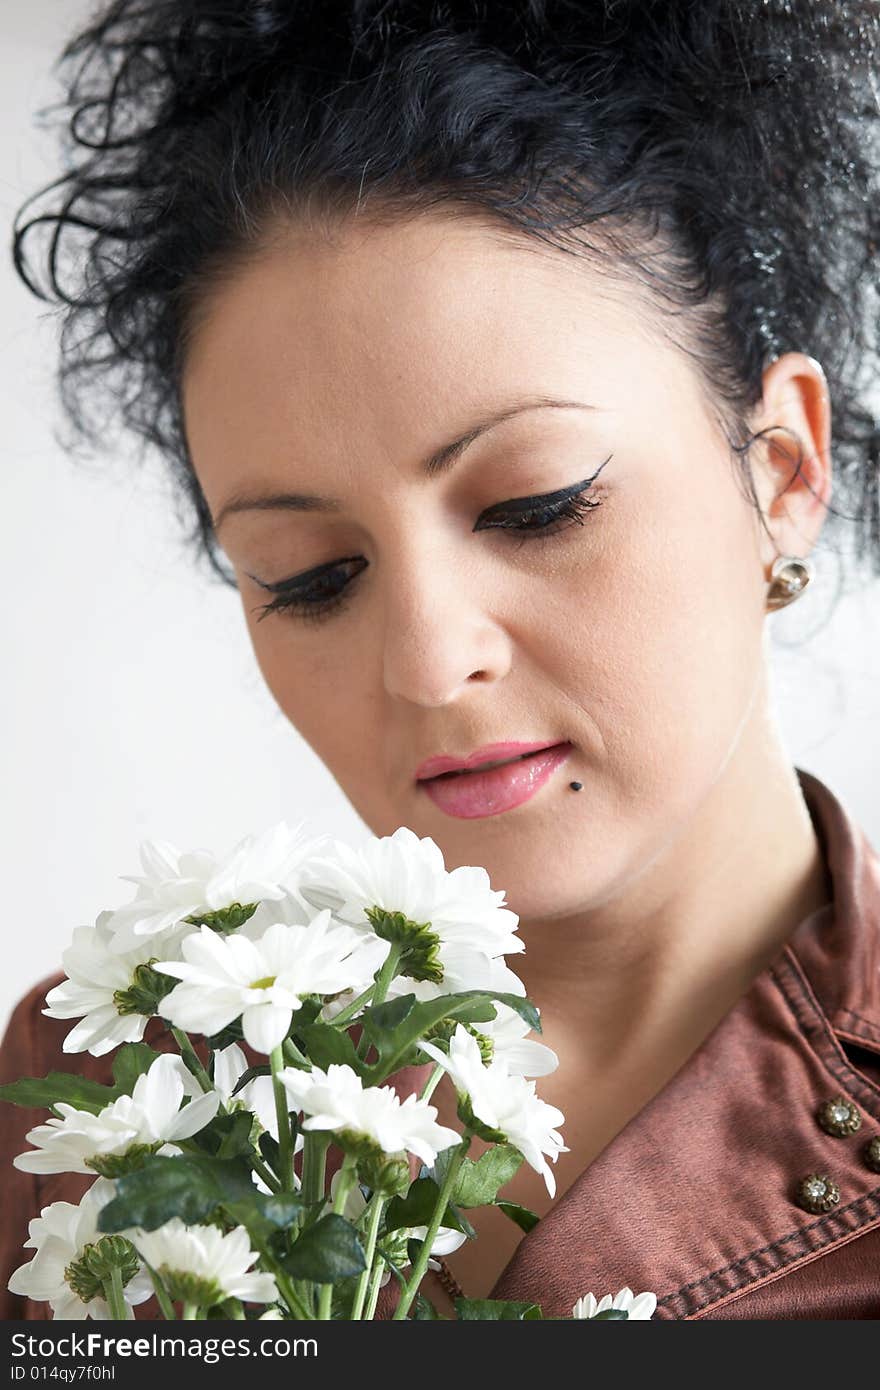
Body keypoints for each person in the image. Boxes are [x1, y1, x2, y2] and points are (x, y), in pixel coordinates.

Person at [2, 0, 879, 1320]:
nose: (425, 660)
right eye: (310, 575)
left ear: (783, 468)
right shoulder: (114, 1085)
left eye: (537, 505)